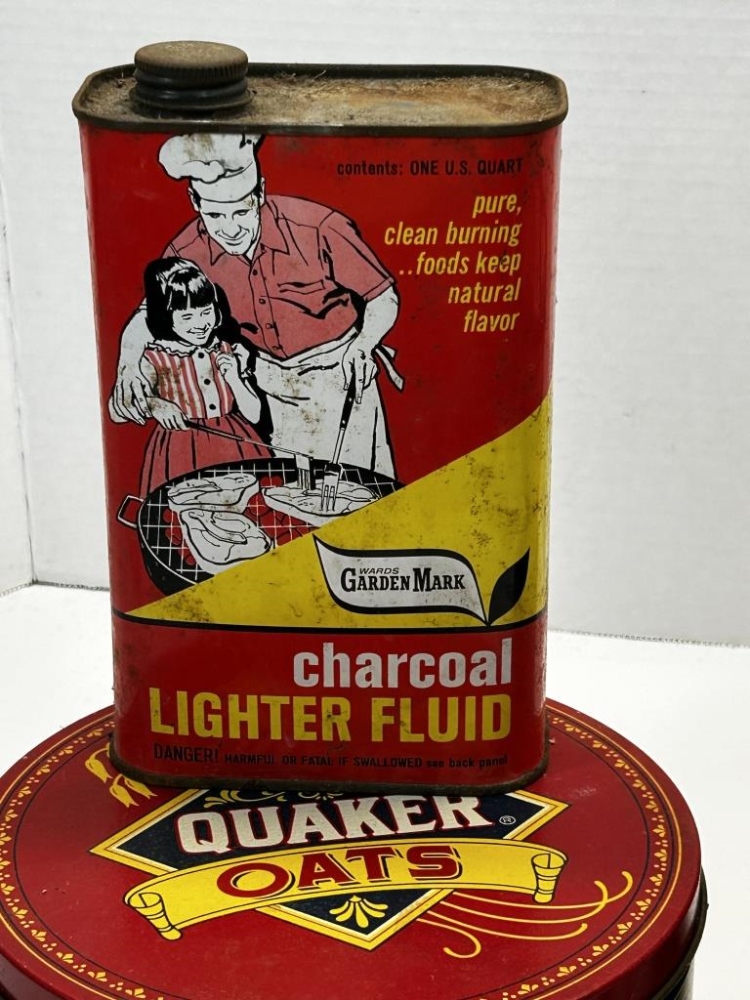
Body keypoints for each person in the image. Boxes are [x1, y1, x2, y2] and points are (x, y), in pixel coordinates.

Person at [111, 133, 402, 478]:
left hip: (339, 377)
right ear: (195, 202)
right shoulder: (186, 249)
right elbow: (150, 313)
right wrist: (128, 363)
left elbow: (383, 297)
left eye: (241, 211)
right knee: (285, 493)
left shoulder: (319, 226)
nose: (230, 229)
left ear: (260, 193)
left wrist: (363, 345)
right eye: (215, 215)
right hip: (265, 386)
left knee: (356, 489)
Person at [109, 257, 270, 495]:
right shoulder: (157, 358)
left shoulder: (229, 350)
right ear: (166, 317)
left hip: (235, 445)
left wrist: (235, 378)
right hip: (181, 452)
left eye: (206, 312)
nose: (200, 324)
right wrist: (154, 404)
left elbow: (254, 414)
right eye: (187, 317)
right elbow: (116, 412)